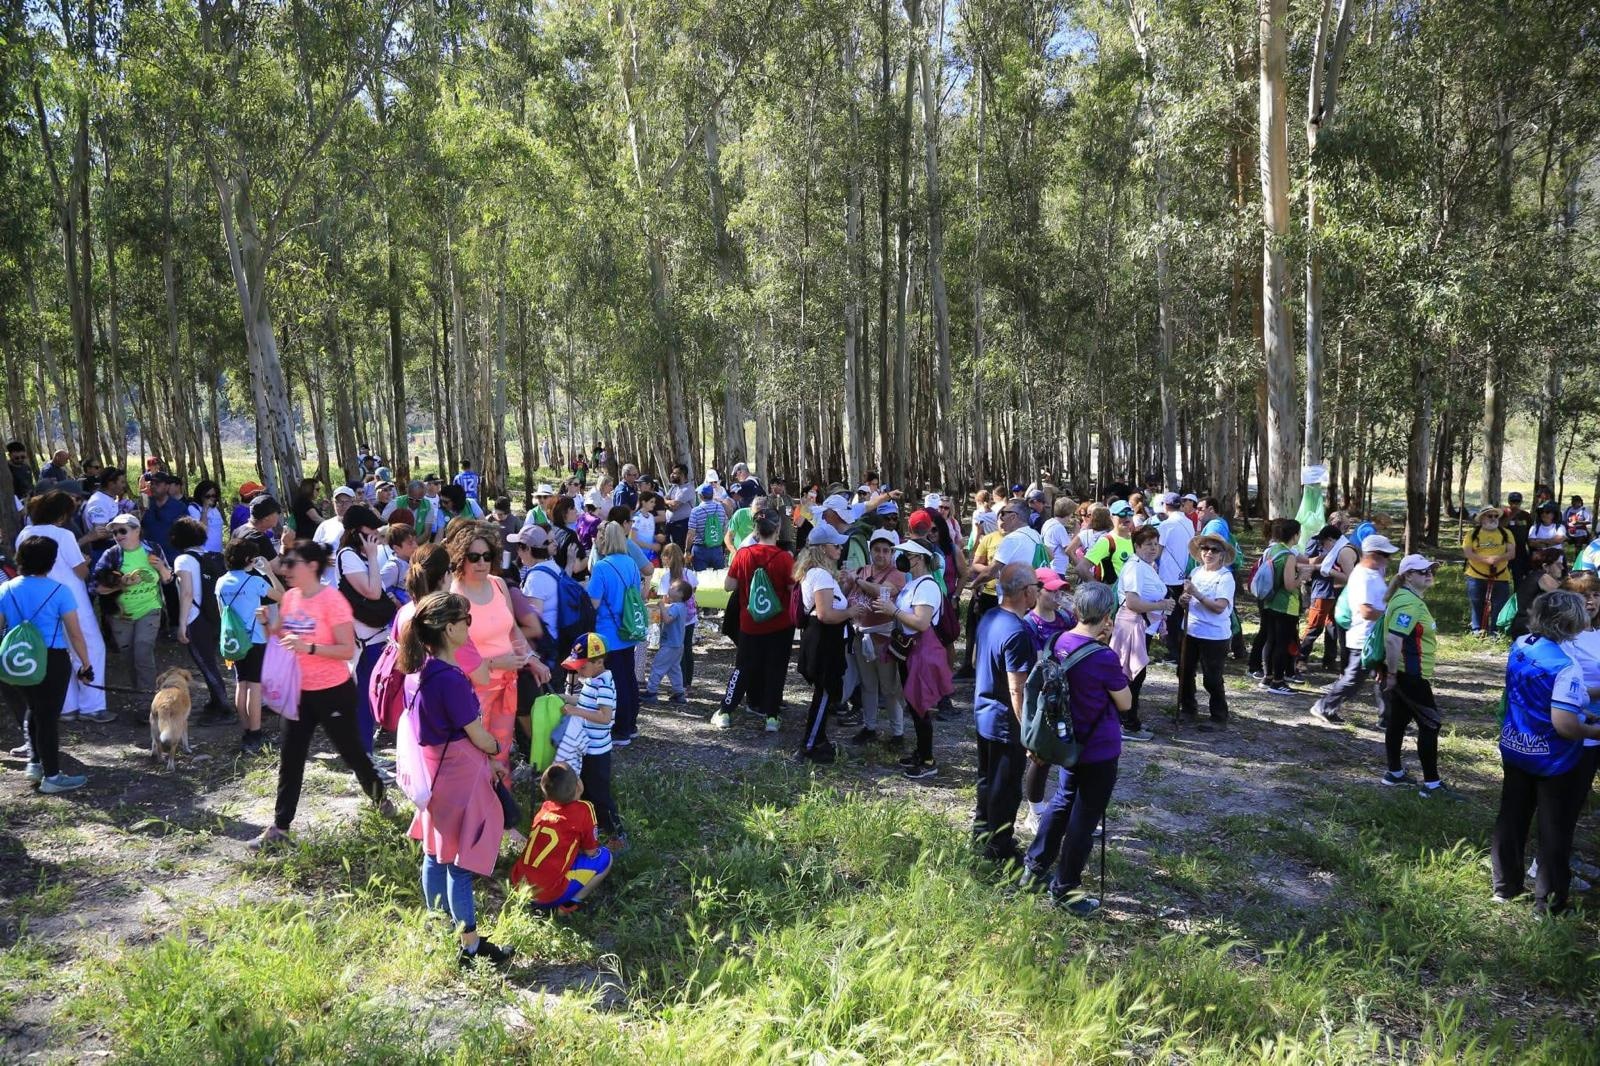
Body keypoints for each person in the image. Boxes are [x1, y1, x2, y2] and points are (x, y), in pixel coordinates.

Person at [394, 590, 514, 966]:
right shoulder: (452, 679)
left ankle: (436, 928)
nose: (469, 626)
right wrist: (496, 747)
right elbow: (478, 735)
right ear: (449, 629)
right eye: (466, 621)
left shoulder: (416, 672)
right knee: (461, 865)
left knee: (434, 852)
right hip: (461, 778)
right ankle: (471, 946)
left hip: (432, 777)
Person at [251, 542, 387, 850]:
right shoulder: (291, 598)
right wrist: (269, 626)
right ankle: (280, 827)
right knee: (291, 757)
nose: (285, 569)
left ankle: (380, 799)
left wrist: (309, 648)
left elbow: (347, 649)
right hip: (299, 691)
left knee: (352, 753)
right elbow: (285, 638)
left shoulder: (331, 600)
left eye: (292, 563)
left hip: (333, 692)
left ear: (312, 566)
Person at [1022, 582, 1130, 917]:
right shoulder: (1104, 657)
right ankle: (1064, 888)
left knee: (1062, 801)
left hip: (1066, 742)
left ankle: (1034, 868)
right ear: (1107, 616)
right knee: (1084, 818)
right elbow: (1124, 702)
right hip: (1098, 748)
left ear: (1077, 611)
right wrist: (1108, 646)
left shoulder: (1058, 641)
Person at [1492, 591, 1600, 913]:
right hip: (1553, 757)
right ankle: (1550, 904)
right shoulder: (1566, 666)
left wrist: (1582, 706)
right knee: (1555, 829)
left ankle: (1505, 887)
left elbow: (1536, 692)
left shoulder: (1522, 644)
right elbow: (1565, 725)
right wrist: (1593, 730)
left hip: (1516, 744)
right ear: (1571, 624)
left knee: (1512, 816)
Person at [0, 536, 96, 794]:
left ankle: (35, 763)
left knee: (34, 709)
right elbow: (75, 633)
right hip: (51, 659)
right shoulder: (59, 590)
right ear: (51, 562)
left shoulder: (5, 589)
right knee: (48, 718)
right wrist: (86, 663)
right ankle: (52, 775)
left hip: (18, 658)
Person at [447, 522, 536, 770]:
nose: (482, 563)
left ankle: (501, 795)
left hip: (508, 681)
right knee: (475, 748)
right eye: (474, 557)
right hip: (474, 688)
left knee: (502, 745)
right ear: (461, 558)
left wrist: (531, 658)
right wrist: (496, 663)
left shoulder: (498, 584)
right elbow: (451, 656)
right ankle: (478, 801)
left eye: (487, 556)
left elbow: (513, 629)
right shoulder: (454, 597)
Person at [16, 491, 109, 722]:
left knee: (57, 652)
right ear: (62, 514)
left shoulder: (24, 534)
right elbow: (80, 571)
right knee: (90, 648)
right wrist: (86, 564)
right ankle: (92, 706)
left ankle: (66, 707)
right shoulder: (64, 535)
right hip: (71, 600)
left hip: (38, 601)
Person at [972, 564, 1040, 865]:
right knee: (1006, 788)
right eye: (1036, 586)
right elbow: (1018, 690)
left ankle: (981, 832)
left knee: (987, 780)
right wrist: (1028, 733)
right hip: (1004, 723)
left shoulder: (989, 617)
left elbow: (975, 660)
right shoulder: (1017, 633)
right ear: (1026, 592)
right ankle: (999, 848)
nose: (1038, 591)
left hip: (983, 714)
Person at [1376, 555, 1454, 796]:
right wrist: (1390, 674)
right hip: (1411, 674)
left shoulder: (1407, 598)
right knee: (1431, 724)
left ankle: (1395, 773)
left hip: (1404, 673)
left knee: (1398, 721)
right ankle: (1431, 785)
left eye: (1431, 570)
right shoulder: (1409, 603)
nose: (1429, 574)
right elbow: (1393, 639)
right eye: (1422, 571)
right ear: (1408, 575)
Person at [713, 512, 795, 733]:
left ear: (756, 530)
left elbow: (729, 586)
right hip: (779, 624)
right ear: (777, 530)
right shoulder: (785, 558)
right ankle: (771, 717)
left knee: (743, 669)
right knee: (776, 670)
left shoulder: (743, 554)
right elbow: (791, 588)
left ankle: (725, 712)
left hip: (750, 623)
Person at [1309, 534, 1398, 725]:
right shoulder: (1363, 576)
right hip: (1364, 638)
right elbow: (1365, 611)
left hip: (1374, 636)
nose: (1388, 559)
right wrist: (1389, 617)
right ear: (1373, 554)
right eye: (1385, 554)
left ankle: (1388, 719)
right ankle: (1323, 706)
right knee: (1353, 679)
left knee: (1383, 678)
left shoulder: (1374, 573)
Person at [791, 523, 859, 763]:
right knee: (825, 692)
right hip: (824, 640)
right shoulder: (819, 575)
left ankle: (818, 739)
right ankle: (809, 745)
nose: (840, 548)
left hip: (823, 639)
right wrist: (852, 611)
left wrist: (846, 588)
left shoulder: (819, 573)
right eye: (835, 544)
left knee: (825, 694)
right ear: (822, 549)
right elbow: (825, 614)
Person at [90, 514, 172, 711]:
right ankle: (141, 697)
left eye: (122, 530)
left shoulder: (153, 549)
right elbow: (96, 587)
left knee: (143, 650)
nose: (118, 535)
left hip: (150, 609)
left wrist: (160, 567)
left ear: (137, 530)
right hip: (120, 615)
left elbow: (168, 579)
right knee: (130, 657)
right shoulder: (111, 555)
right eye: (115, 532)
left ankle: (148, 704)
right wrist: (120, 584)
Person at [332, 505, 396, 756]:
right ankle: (364, 755)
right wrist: (371, 555)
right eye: (372, 527)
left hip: (376, 636)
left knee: (373, 696)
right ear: (358, 530)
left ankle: (366, 752)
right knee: (365, 700)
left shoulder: (361, 553)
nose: (377, 531)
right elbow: (373, 592)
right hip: (363, 640)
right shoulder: (349, 555)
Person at [510, 763, 614, 915]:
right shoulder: (584, 809)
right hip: (547, 894)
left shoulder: (545, 808)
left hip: (518, 884)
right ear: (579, 785)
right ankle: (568, 905)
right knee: (605, 857)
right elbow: (591, 852)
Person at [888, 539, 952, 780]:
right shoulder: (914, 583)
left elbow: (921, 622)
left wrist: (892, 611)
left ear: (920, 558)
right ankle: (920, 751)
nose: (902, 557)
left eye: (907, 554)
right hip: (910, 650)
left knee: (920, 704)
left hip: (921, 651)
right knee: (914, 705)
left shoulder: (926, 587)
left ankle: (928, 760)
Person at [216, 537, 284, 753]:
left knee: (241, 683)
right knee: (254, 686)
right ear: (248, 559)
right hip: (254, 639)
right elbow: (282, 596)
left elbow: (222, 612)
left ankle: (246, 729)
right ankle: (255, 734)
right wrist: (269, 572)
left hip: (232, 640)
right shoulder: (255, 582)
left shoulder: (221, 582)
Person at [557, 633, 624, 839]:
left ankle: (617, 835)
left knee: (599, 795)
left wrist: (575, 711)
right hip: (586, 748)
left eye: (582, 666)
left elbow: (605, 716)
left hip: (597, 752)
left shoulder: (603, 684)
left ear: (599, 661)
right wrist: (561, 698)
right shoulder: (592, 679)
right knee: (584, 791)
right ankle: (590, 827)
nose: (579, 670)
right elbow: (584, 700)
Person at [169, 516, 234, 720]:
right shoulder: (209, 556)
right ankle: (216, 701)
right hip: (215, 615)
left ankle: (224, 708)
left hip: (195, 617)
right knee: (211, 661)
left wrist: (181, 625)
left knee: (206, 663)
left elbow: (186, 593)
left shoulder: (183, 559)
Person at [588, 521, 646, 744]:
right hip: (628, 628)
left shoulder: (602, 568)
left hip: (608, 633)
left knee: (616, 682)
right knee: (629, 678)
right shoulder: (631, 563)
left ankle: (621, 729)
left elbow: (593, 602)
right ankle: (631, 724)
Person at [1111, 526, 1171, 742]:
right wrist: (1162, 604)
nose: (1153, 548)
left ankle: (1126, 719)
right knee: (1132, 675)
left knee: (1133, 675)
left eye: (1155, 544)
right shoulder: (1135, 568)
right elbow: (1133, 603)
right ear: (1137, 546)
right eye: (1148, 544)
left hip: (1142, 626)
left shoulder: (1146, 565)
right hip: (1132, 626)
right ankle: (1127, 724)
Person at [848, 529, 906, 748]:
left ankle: (898, 732)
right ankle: (869, 726)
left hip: (884, 639)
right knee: (868, 684)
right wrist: (848, 579)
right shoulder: (862, 570)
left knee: (890, 687)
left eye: (885, 550)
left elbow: (884, 591)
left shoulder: (896, 574)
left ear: (891, 553)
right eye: (877, 550)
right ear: (870, 550)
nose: (881, 554)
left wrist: (858, 581)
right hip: (861, 635)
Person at [1177, 533, 1235, 731]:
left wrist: (1197, 594)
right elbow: (1186, 598)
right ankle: (1188, 709)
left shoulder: (1225, 578)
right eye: (1204, 548)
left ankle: (1219, 716)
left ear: (1222, 554)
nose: (1208, 553)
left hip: (1214, 634)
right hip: (1191, 629)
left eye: (1214, 550)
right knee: (1184, 671)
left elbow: (1220, 607)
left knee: (1212, 678)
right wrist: (1183, 600)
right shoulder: (1196, 572)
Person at [1255, 518, 1310, 694]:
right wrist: (1301, 575)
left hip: (1269, 602)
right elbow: (1289, 585)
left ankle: (1267, 677)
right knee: (1282, 644)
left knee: (1270, 640)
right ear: (1295, 535)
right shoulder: (1288, 555)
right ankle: (1278, 682)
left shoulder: (1272, 550)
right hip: (1285, 606)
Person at [1300, 522, 1357, 669]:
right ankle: (1301, 659)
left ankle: (1328, 661)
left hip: (1334, 592)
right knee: (1315, 626)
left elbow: (1351, 578)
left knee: (1331, 627)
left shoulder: (1344, 551)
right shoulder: (1336, 550)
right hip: (1324, 590)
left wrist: (1329, 570)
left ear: (1331, 540)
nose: (1321, 545)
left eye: (1323, 542)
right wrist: (1319, 565)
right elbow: (1311, 561)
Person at [653, 544, 699, 694]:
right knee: (687, 649)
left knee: (674, 650)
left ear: (667, 558)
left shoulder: (666, 578)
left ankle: (680, 685)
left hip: (673, 620)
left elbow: (665, 600)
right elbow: (693, 592)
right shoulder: (689, 573)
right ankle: (687, 684)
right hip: (689, 618)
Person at [1462, 506, 1515, 636]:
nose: (1493, 519)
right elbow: (1468, 553)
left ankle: (1495, 632)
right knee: (1476, 602)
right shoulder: (1472, 534)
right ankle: (1477, 630)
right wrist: (1486, 560)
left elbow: (1511, 553)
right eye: (1489, 516)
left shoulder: (1506, 533)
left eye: (1495, 516)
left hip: (1501, 575)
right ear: (1482, 518)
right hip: (1475, 575)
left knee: (1499, 604)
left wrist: (1497, 559)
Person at [1154, 492, 1193, 657]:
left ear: (1165, 506)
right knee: (1180, 612)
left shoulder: (1165, 525)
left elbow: (1157, 550)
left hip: (1168, 576)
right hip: (1185, 574)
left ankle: (1173, 652)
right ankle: (1181, 648)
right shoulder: (1189, 522)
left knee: (1170, 614)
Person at [643, 580, 691, 705]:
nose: (669, 588)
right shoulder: (681, 607)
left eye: (673, 588)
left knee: (657, 666)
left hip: (670, 644)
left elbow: (668, 619)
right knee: (674, 669)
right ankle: (679, 694)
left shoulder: (676, 607)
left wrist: (661, 606)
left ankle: (651, 692)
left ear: (680, 594)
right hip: (677, 645)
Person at [1507, 548, 1567, 640]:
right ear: (1545, 566)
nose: (1562, 568)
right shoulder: (1543, 577)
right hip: (1530, 628)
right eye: (1558, 564)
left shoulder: (1534, 575)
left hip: (1527, 625)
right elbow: (1567, 598)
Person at [1024, 567, 1077, 653]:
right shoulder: (1029, 625)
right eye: (1053, 590)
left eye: (1060, 590)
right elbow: (1039, 661)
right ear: (1036, 591)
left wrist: (1079, 614)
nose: (1059, 595)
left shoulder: (1067, 617)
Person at [686, 484, 728, 570]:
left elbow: (691, 533)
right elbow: (725, 528)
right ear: (712, 495)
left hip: (700, 549)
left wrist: (687, 550)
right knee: (718, 577)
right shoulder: (720, 508)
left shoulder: (696, 511)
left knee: (701, 578)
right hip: (717, 548)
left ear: (700, 496)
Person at [188, 480, 227, 553]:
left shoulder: (214, 508)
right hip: (204, 552)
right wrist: (204, 509)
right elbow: (202, 530)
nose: (211, 499)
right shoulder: (193, 508)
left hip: (217, 552)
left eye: (214, 496)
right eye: (207, 496)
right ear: (200, 495)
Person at [1502, 492, 1533, 583]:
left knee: (1519, 577)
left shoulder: (1525, 515)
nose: (1515, 504)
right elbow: (1500, 527)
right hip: (1505, 549)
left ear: (1521, 502)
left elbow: (1529, 532)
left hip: (1520, 550)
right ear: (1509, 502)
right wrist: (1511, 514)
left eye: (1517, 502)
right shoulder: (1503, 514)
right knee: (1503, 576)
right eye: (1513, 501)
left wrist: (1531, 550)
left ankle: (1518, 595)